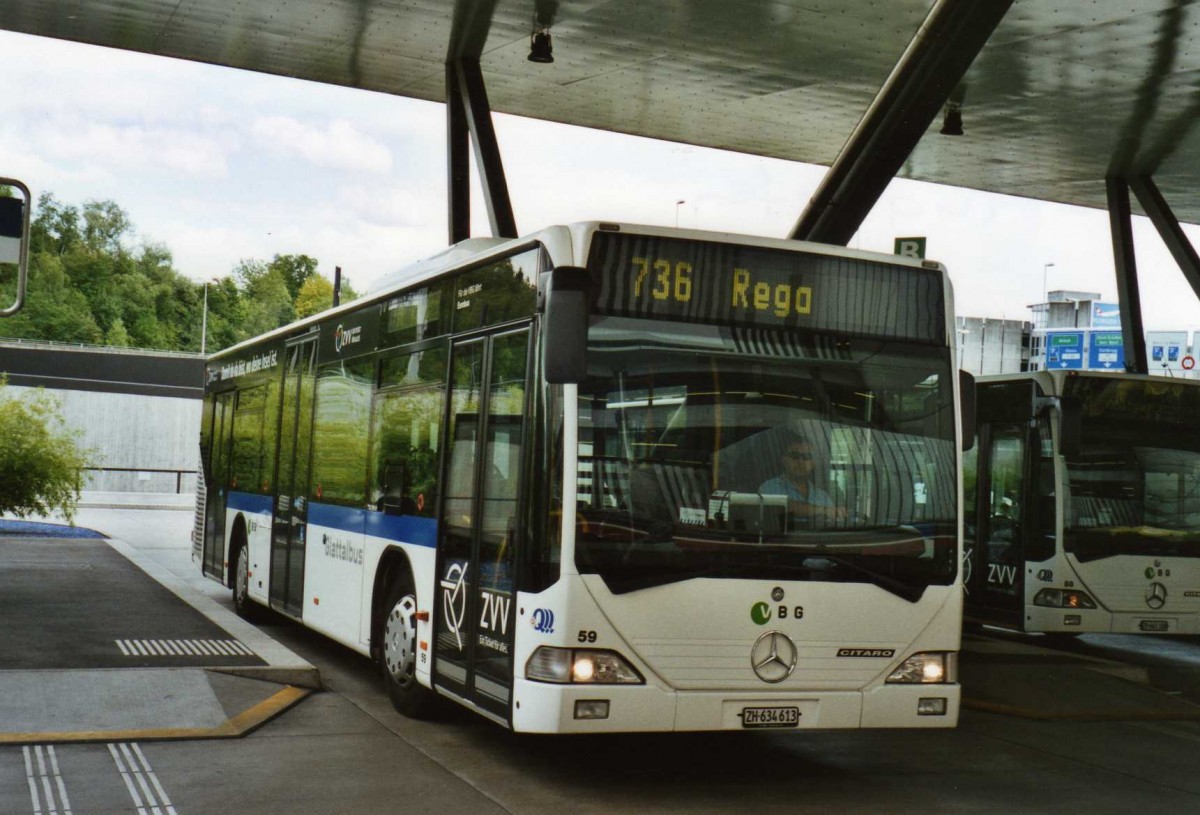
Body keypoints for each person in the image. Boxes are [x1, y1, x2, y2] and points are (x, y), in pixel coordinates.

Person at [758, 435, 846, 525]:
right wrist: (822, 510)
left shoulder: (823, 497)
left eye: (807, 456)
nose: (801, 461)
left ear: (813, 463)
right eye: (795, 456)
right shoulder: (768, 487)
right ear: (783, 460)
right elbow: (783, 506)